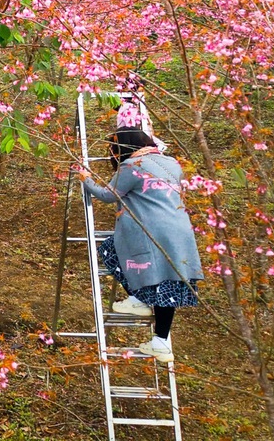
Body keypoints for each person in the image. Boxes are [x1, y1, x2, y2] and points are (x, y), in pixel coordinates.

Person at [78, 127, 204, 363]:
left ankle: (138, 299)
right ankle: (161, 341)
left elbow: (107, 195)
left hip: (152, 230)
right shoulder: (172, 164)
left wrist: (86, 179)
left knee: (110, 250)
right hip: (180, 231)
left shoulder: (132, 166)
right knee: (167, 283)